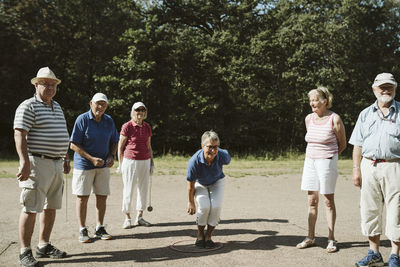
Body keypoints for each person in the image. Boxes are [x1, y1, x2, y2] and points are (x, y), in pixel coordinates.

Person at [13, 67, 70, 266]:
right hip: (37, 163)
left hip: (55, 163)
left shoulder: (57, 106)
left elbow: (63, 134)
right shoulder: (28, 106)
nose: (50, 87)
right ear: (36, 85)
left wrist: (65, 157)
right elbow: (20, 134)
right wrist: (24, 161)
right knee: (31, 207)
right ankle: (24, 252)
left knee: (51, 207)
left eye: (53, 84)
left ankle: (44, 245)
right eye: (45, 83)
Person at [350, 73, 400, 267]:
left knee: (396, 210)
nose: (385, 90)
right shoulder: (365, 114)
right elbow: (357, 145)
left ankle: (395, 255)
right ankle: (374, 253)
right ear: (374, 89)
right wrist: (356, 169)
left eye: (389, 87)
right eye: (382, 87)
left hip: (395, 165)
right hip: (368, 165)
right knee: (370, 209)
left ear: (395, 88)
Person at [296, 87, 346, 253]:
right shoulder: (308, 119)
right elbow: (311, 140)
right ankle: (310, 237)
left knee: (327, 200)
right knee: (312, 200)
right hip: (310, 161)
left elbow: (342, 143)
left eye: (315, 100)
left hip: (327, 162)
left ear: (325, 101)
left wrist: (330, 158)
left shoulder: (334, 118)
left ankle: (331, 239)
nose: (312, 103)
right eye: (310, 100)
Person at [70, 93, 119, 243]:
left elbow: (115, 140)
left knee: (102, 196)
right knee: (83, 197)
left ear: (106, 106)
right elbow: (73, 144)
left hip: (103, 165)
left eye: (103, 104)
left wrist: (111, 155)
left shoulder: (109, 120)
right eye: (98, 103)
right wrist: (91, 158)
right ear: (91, 103)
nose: (100, 107)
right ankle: (82, 229)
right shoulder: (82, 119)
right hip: (84, 165)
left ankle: (99, 227)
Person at [187, 130, 231, 248]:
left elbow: (227, 158)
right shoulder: (194, 161)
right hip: (200, 183)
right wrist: (191, 203)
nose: (213, 150)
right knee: (204, 206)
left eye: (216, 147)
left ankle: (209, 236)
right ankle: (200, 234)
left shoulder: (222, 155)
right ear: (202, 146)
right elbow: (190, 186)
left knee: (216, 207)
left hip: (217, 182)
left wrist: (218, 151)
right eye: (210, 147)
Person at [118, 102, 154, 229]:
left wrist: (152, 162)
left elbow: (149, 146)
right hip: (130, 161)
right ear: (133, 111)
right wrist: (120, 163)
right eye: (137, 110)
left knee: (143, 189)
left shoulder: (147, 127)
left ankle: (139, 216)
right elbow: (120, 146)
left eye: (143, 110)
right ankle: (127, 217)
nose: (140, 112)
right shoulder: (127, 126)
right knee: (129, 189)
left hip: (145, 160)